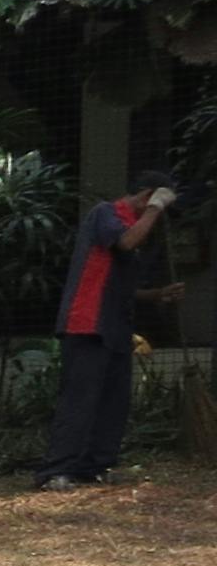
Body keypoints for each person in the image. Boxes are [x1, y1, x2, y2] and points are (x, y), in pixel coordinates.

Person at [40, 180, 181, 488]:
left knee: (114, 401)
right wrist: (157, 207)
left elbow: (122, 288)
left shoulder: (132, 226)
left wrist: (157, 294)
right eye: (155, 207)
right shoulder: (106, 214)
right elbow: (126, 242)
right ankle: (56, 471)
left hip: (115, 326)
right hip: (87, 323)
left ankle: (92, 467)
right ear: (146, 197)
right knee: (80, 399)